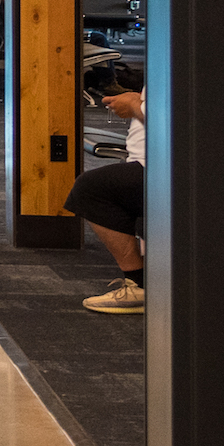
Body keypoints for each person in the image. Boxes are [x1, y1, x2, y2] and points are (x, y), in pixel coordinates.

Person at [73, 89, 148, 313]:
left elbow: (177, 115)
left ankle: (140, 286)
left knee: (91, 189)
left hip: (164, 165)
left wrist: (135, 106)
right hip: (151, 159)